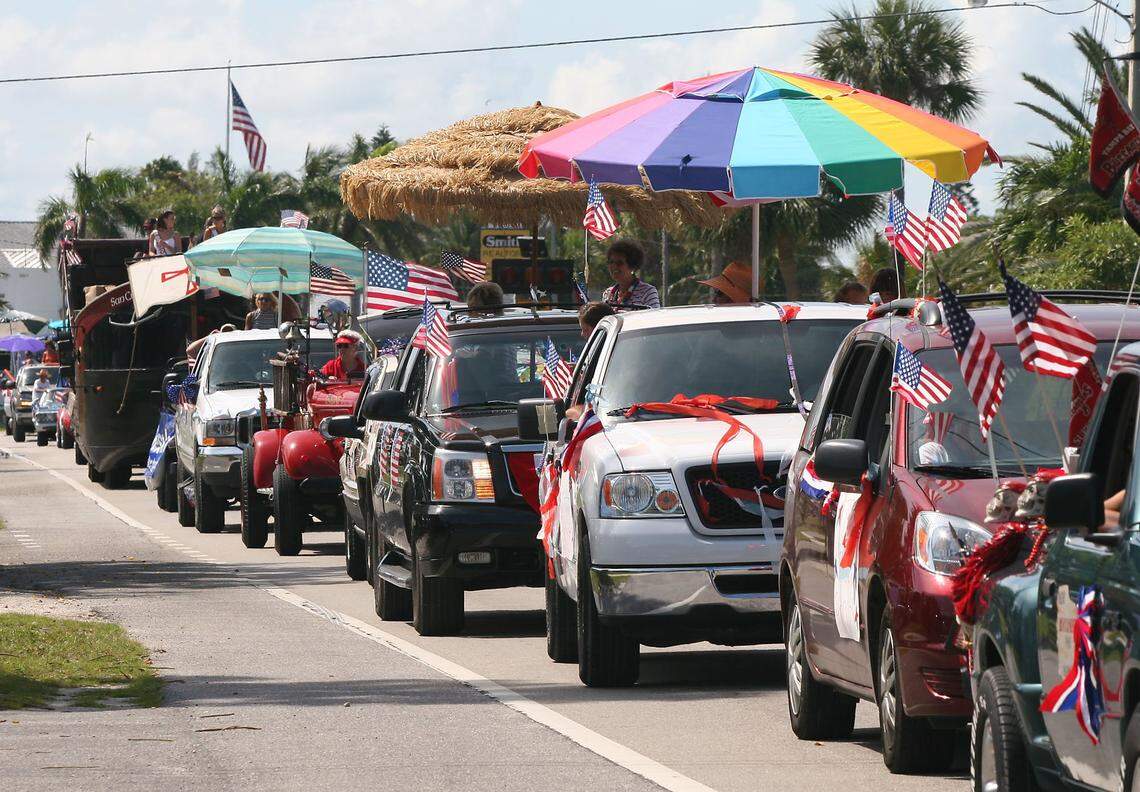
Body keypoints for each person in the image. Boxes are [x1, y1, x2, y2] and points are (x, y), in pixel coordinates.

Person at [601, 240, 660, 309]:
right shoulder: (608, 294)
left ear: (632, 266)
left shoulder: (648, 292)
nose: (614, 266)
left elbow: (654, 318)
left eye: (619, 263)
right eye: (611, 262)